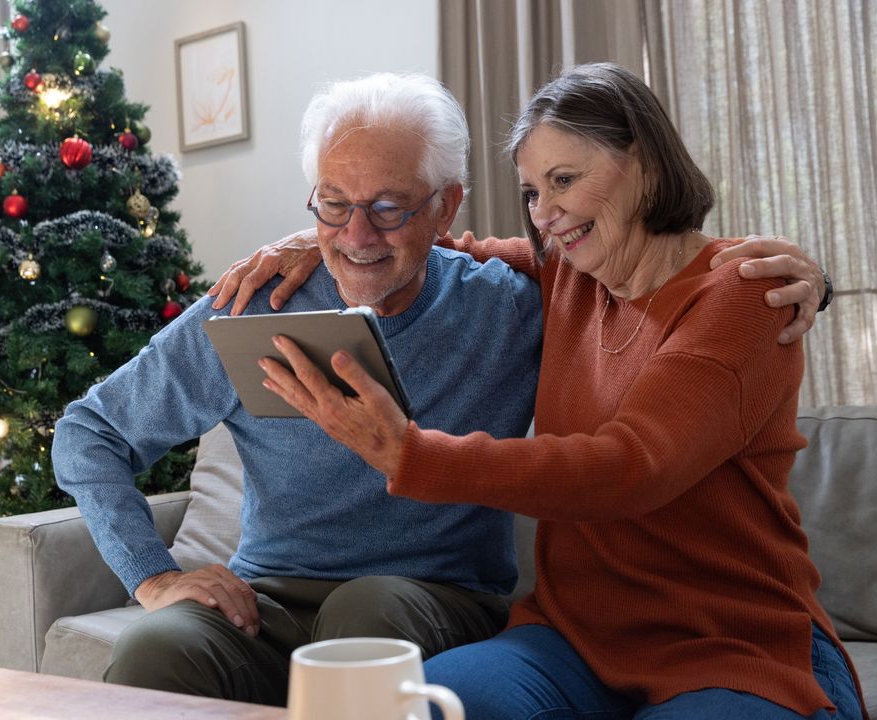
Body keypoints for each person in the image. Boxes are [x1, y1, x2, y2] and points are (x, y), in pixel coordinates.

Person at [230, 64, 866, 718]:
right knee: (430, 702)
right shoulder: (566, 274)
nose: (546, 213)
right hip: (573, 640)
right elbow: (429, 235)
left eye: (565, 181)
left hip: (728, 641)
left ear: (643, 164)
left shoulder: (744, 295)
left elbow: (631, 465)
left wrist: (412, 454)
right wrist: (321, 236)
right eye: (533, 191)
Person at [51, 73, 545, 704]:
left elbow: (611, 268)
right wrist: (154, 578)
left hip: (435, 600)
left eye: (389, 208)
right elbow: (90, 433)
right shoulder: (253, 307)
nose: (357, 237)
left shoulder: (507, 309)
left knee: (366, 618)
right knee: (156, 647)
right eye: (335, 205)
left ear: (446, 207)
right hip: (267, 602)